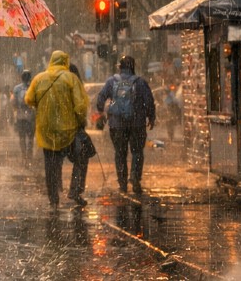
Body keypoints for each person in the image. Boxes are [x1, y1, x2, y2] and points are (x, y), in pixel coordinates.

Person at [24, 50, 90, 208]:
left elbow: (28, 99)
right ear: (65, 62)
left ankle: (53, 199)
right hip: (69, 131)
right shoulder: (71, 79)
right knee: (81, 158)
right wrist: (81, 122)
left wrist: (42, 107)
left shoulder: (39, 79)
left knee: (51, 166)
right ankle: (75, 190)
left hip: (46, 131)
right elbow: (80, 105)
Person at [95, 55, 156, 195]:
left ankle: (122, 183)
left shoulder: (112, 81)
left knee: (120, 153)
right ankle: (135, 177)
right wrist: (151, 117)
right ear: (133, 67)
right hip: (137, 124)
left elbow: (101, 97)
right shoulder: (140, 83)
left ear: (120, 67)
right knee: (137, 152)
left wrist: (101, 111)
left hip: (117, 124)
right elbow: (149, 101)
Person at [11, 70, 36, 160]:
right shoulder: (33, 87)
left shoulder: (17, 89)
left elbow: (13, 102)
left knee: (22, 137)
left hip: (20, 116)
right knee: (30, 137)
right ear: (30, 78)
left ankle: (23, 154)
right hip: (31, 117)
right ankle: (29, 154)